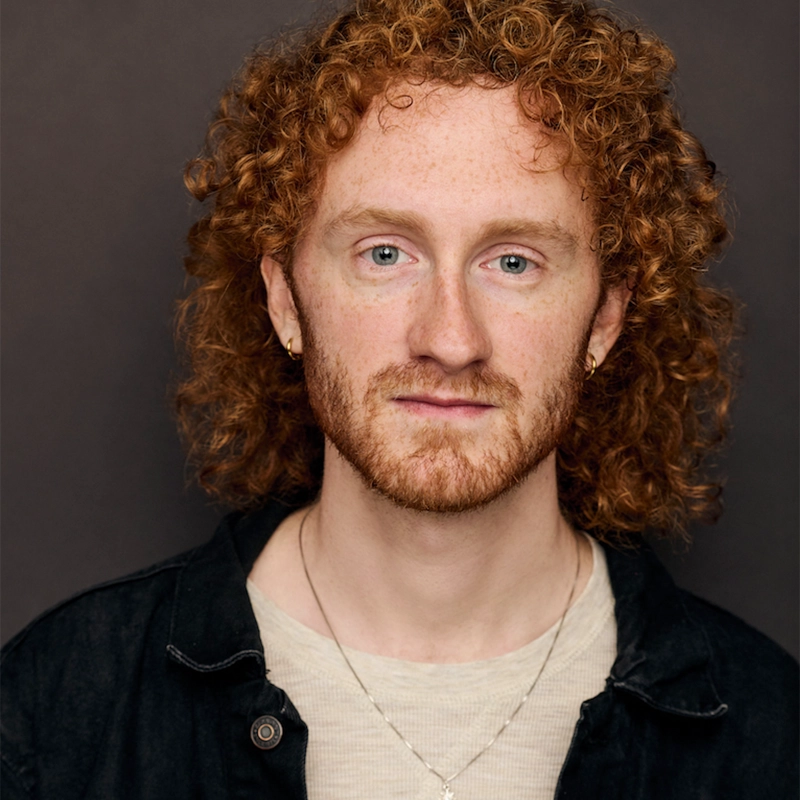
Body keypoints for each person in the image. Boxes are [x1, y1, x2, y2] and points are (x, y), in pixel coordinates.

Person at [2, 0, 797, 797]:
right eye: (385, 254)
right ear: (284, 300)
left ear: (606, 316)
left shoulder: (773, 738)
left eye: (513, 262)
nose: (450, 339)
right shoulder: (51, 715)